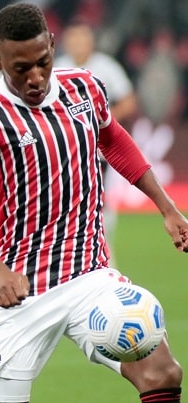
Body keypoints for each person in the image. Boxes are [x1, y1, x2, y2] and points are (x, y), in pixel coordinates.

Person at [0, 2, 186, 403]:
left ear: (52, 45)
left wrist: (166, 207)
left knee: (162, 373)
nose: (35, 78)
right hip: (20, 289)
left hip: (90, 275)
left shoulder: (83, 88)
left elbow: (114, 140)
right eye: (21, 69)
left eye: (43, 62)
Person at [55, 17, 138, 264]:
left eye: (82, 37)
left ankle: (103, 252)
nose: (77, 43)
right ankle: (71, 256)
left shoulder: (106, 67)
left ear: (90, 40)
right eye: (73, 38)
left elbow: (128, 101)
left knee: (98, 202)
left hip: (97, 148)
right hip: (63, 149)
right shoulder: (56, 68)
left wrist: (101, 120)